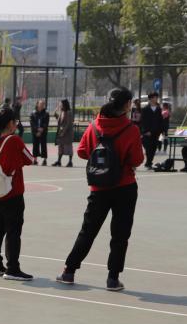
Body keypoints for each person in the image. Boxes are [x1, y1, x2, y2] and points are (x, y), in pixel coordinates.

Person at [56, 87, 145, 291]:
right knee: (120, 234)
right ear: (127, 105)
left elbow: (81, 151)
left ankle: (69, 271)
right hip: (125, 186)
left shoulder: (95, 126)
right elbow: (137, 159)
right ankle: (113, 278)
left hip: (99, 187)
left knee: (88, 230)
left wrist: (100, 158)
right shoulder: (131, 129)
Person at [0, 107, 35, 280]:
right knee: (13, 230)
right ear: (10, 123)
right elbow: (30, 159)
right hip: (12, 192)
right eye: (16, 122)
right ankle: (12, 268)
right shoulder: (14, 140)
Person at [139, 92, 164, 169]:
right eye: (154, 97)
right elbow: (143, 121)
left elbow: (160, 120)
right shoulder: (145, 109)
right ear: (150, 99)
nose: (156, 99)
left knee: (154, 148)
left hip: (156, 132)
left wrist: (161, 131)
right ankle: (148, 162)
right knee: (148, 147)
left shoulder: (159, 109)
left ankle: (149, 162)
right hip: (147, 132)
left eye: (156, 97)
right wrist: (145, 131)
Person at [52, 99, 74, 167]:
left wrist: (63, 132)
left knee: (68, 147)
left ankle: (70, 162)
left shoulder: (69, 112)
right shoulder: (62, 112)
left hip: (67, 134)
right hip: (61, 133)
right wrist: (55, 112)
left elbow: (68, 123)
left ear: (64, 104)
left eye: (61, 104)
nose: (60, 105)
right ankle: (59, 161)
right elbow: (59, 120)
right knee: (60, 147)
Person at [29, 99, 49, 165]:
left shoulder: (46, 113)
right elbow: (32, 123)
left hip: (43, 132)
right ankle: (35, 160)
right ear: (37, 104)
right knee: (35, 145)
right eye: (40, 104)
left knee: (43, 145)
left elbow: (46, 123)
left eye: (43, 104)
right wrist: (37, 130)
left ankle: (44, 160)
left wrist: (42, 129)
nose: (42, 105)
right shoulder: (33, 113)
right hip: (35, 132)